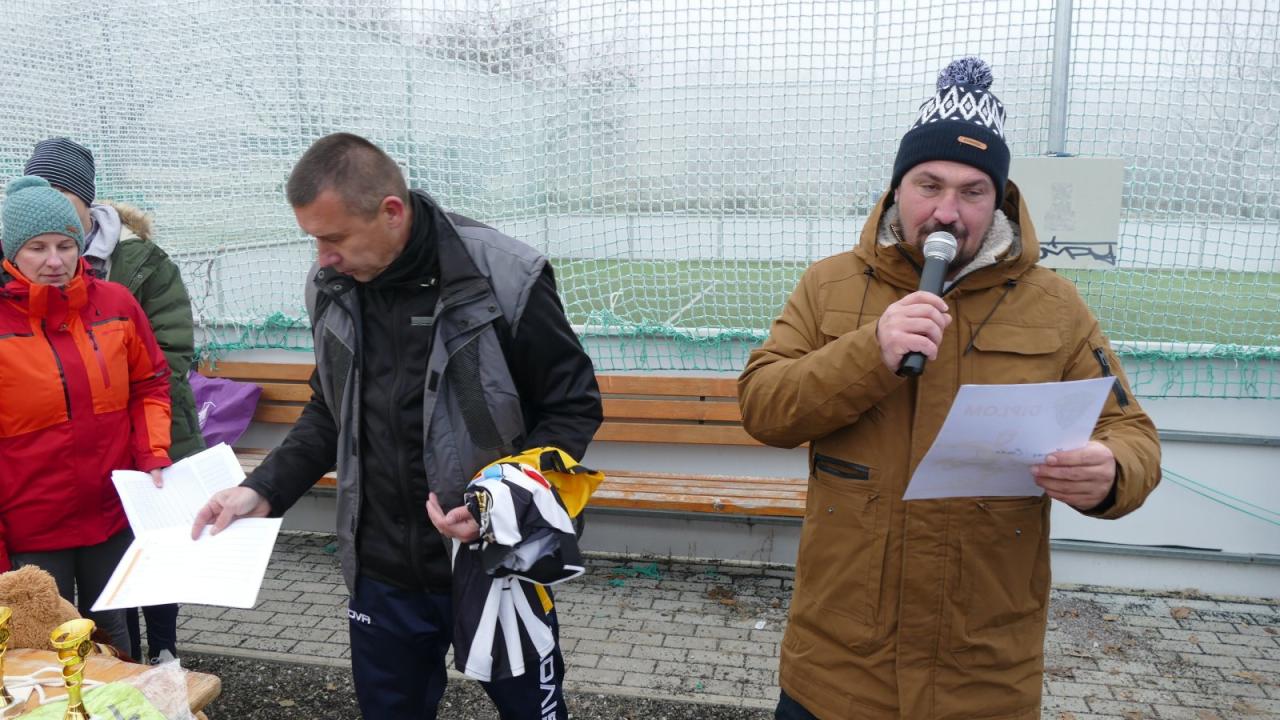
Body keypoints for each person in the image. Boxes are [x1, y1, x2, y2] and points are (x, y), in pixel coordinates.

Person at [737, 57, 1161, 720]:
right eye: (928, 185)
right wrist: (869, 351)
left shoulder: (1055, 304)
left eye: (972, 191)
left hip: (983, 675)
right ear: (896, 188)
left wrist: (1111, 472)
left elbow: (1131, 433)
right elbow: (763, 406)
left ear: (1000, 201)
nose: (946, 211)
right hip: (838, 668)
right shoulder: (829, 285)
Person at [190, 133, 602, 719]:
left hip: (494, 559)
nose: (322, 257)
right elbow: (329, 410)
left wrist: (501, 500)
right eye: (313, 239)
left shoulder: (507, 275)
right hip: (381, 571)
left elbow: (572, 406)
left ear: (390, 211)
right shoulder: (330, 288)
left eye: (334, 238)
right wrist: (263, 489)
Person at [25, 136, 205, 665]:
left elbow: (169, 353)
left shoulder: (140, 262)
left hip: (151, 432)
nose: (54, 257)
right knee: (103, 578)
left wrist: (105, 400)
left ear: (87, 201)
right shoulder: (23, 255)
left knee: (155, 550)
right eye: (40, 194)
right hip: (70, 460)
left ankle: (165, 647)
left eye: (63, 196)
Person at [0, 175, 174, 660]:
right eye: (37, 248)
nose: (54, 261)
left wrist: (152, 452)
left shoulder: (116, 304)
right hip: (32, 528)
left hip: (109, 518)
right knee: (43, 653)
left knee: (114, 643)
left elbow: (150, 384)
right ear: (12, 253)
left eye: (65, 245)